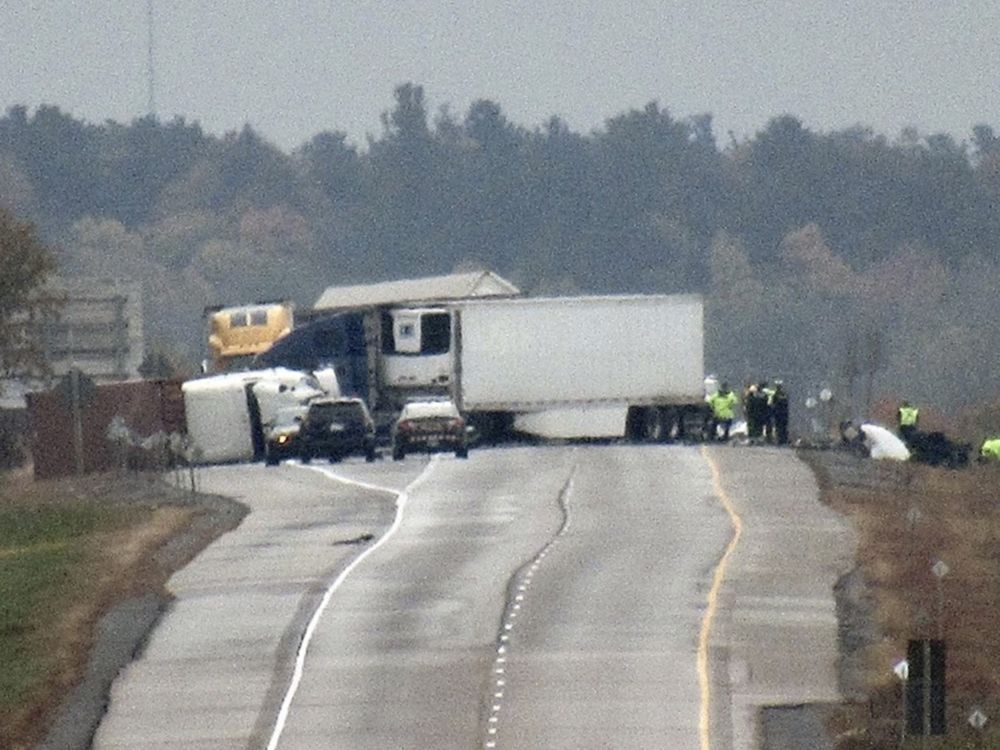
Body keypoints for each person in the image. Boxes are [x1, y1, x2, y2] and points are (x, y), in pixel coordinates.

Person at [771, 381, 790, 445]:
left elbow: (774, 405)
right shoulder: (785, 395)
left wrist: (773, 413)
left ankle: (780, 440)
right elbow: (786, 404)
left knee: (779, 428)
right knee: (783, 427)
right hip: (784, 414)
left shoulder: (775, 395)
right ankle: (784, 440)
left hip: (778, 414)